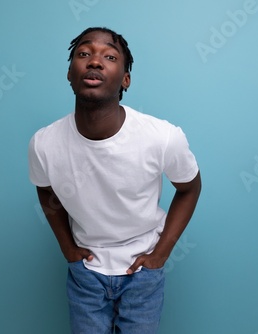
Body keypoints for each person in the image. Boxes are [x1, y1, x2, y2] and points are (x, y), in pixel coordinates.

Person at [28, 27, 201, 333]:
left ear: (125, 80)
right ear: (70, 74)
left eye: (109, 56)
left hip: (142, 274)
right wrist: (67, 248)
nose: (94, 61)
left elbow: (189, 188)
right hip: (85, 274)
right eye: (84, 54)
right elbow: (45, 191)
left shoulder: (162, 137)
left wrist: (160, 254)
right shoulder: (44, 144)